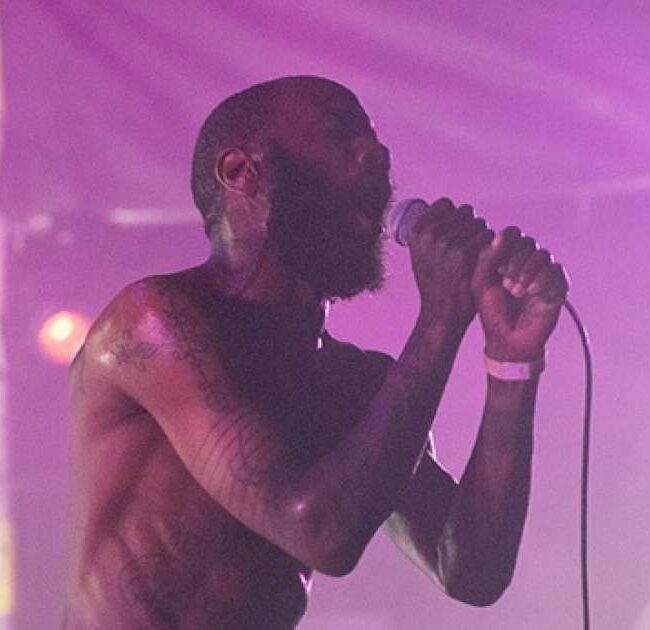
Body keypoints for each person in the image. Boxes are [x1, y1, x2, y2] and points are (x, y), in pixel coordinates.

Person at [63, 75, 569, 629]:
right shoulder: (156, 321)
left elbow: (470, 570)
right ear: (241, 171)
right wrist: (441, 317)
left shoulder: (356, 383)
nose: (377, 153)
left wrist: (511, 363)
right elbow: (319, 531)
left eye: (374, 140)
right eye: (338, 132)